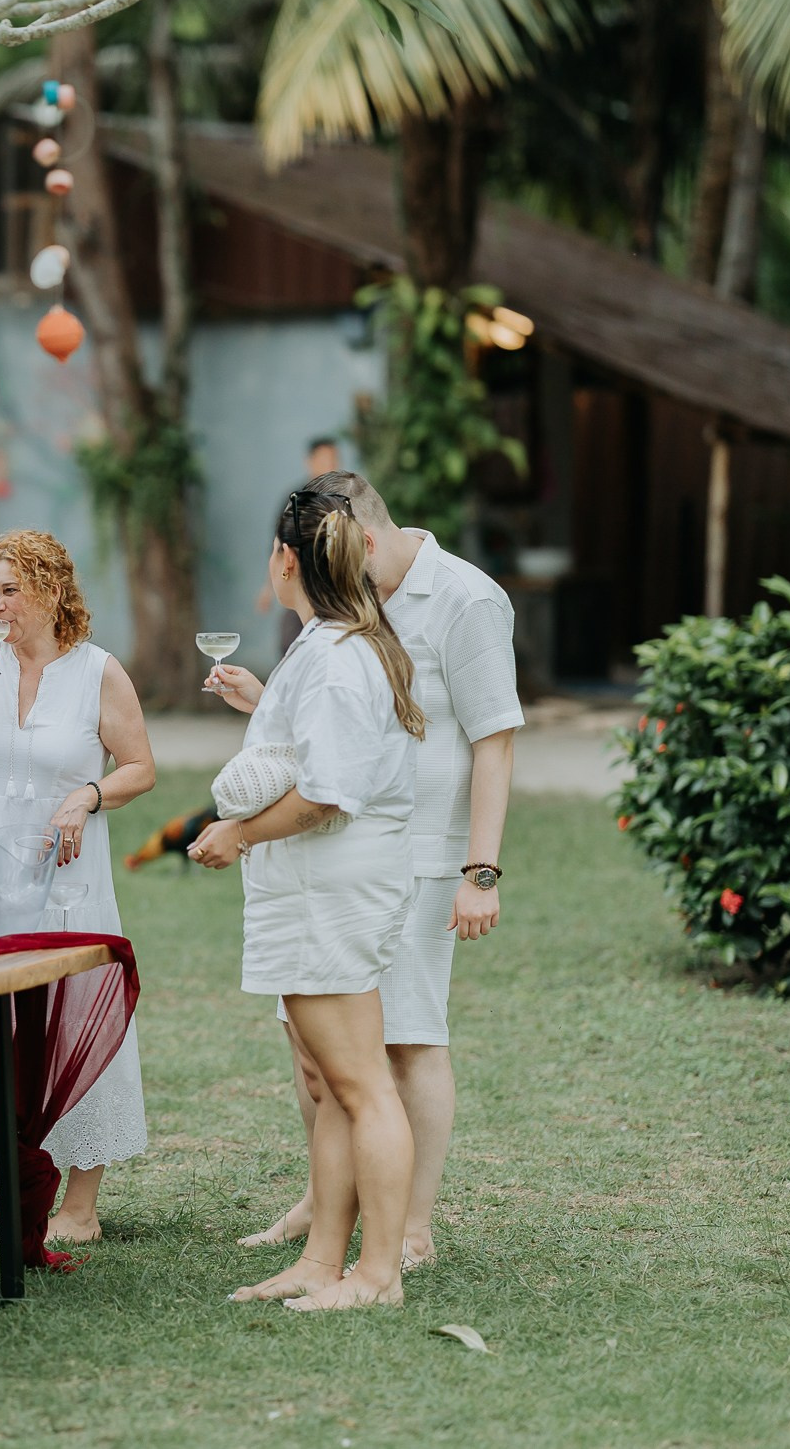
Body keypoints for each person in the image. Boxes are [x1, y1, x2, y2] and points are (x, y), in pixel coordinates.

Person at [209, 470, 520, 1271]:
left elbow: (494, 739)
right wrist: (268, 699)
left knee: (408, 1040)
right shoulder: (348, 612)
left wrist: (480, 870)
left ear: (364, 540)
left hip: (415, 853)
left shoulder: (468, 599)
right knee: (317, 1047)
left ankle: (409, 1226)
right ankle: (327, 1202)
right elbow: (346, 720)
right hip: (337, 852)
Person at [188, 487, 425, 1311]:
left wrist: (238, 833)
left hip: (332, 892)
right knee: (332, 1084)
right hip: (321, 889)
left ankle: (379, 1273)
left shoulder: (333, 653)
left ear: (286, 558)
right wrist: (266, 708)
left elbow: (327, 793)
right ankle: (322, 1261)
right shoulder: (337, 641)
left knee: (362, 1085)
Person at [0, 530, 154, 1242]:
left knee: (74, 1019)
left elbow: (139, 766)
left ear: (50, 591)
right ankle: (18, 1187)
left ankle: (80, 1206)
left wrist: (87, 794)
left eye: (10, 591)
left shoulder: (97, 671)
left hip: (67, 876)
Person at [258, 437, 344, 656]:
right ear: (310, 462)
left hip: (336, 587)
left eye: (333, 460)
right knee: (291, 642)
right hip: (300, 583)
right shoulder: (295, 500)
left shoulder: (345, 499)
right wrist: (268, 589)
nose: (329, 465)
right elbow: (279, 543)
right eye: (324, 459)